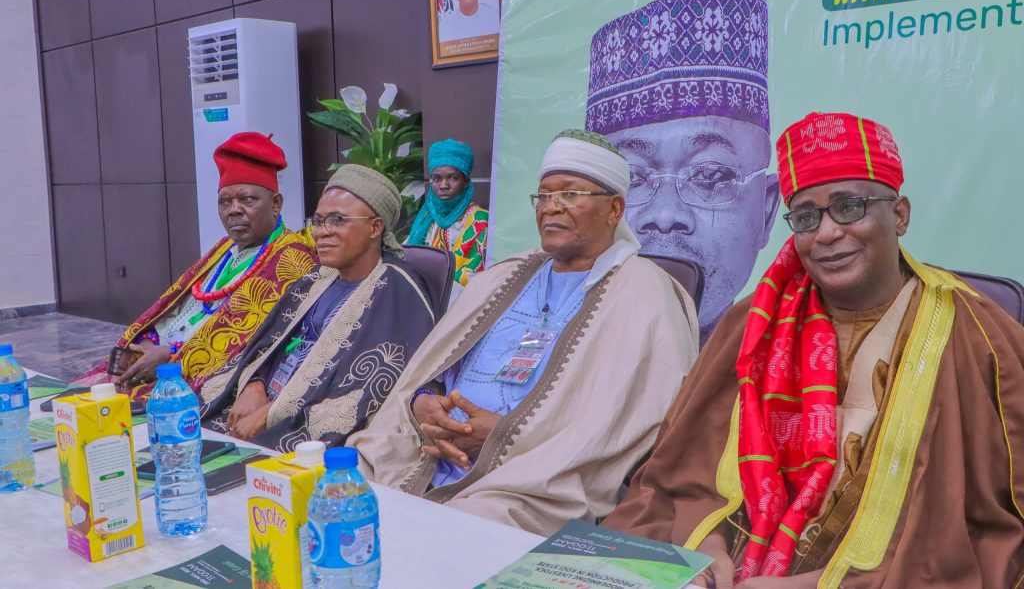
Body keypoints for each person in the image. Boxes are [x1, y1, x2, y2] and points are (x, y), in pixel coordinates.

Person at [603, 112, 1024, 587]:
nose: (826, 233)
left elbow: (958, 529)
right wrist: (704, 551)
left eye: (849, 207)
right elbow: (681, 478)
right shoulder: (754, 323)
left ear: (900, 215)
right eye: (806, 216)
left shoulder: (975, 334)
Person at [349, 129, 699, 536]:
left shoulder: (646, 293)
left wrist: (504, 436)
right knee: (339, 484)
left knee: (459, 533)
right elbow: (434, 368)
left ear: (614, 208)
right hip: (428, 449)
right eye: (544, 196)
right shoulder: (503, 276)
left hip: (528, 477)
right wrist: (424, 401)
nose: (551, 207)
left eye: (570, 194)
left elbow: (618, 428)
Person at [586, 0, 780, 343]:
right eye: (632, 178)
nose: (664, 216)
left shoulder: (792, 365)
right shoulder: (564, 343)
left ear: (767, 211)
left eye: (710, 176)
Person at [199, 165, 436, 451]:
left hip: (303, 424)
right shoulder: (318, 278)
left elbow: (364, 389)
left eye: (337, 220)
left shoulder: (397, 289)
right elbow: (267, 343)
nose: (321, 233)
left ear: (375, 227)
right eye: (319, 221)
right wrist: (254, 384)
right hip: (265, 400)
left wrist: (271, 413)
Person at [76, 132, 316, 401]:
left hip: (207, 381)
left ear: (276, 204)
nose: (233, 210)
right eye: (224, 202)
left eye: (247, 200)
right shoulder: (225, 248)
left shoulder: (292, 258)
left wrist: (170, 356)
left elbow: (251, 341)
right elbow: (176, 308)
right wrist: (147, 343)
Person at [408, 138, 488, 286]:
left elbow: (476, 276)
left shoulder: (481, 220)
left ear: (466, 182)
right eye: (437, 179)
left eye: (453, 178)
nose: (444, 185)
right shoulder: (426, 219)